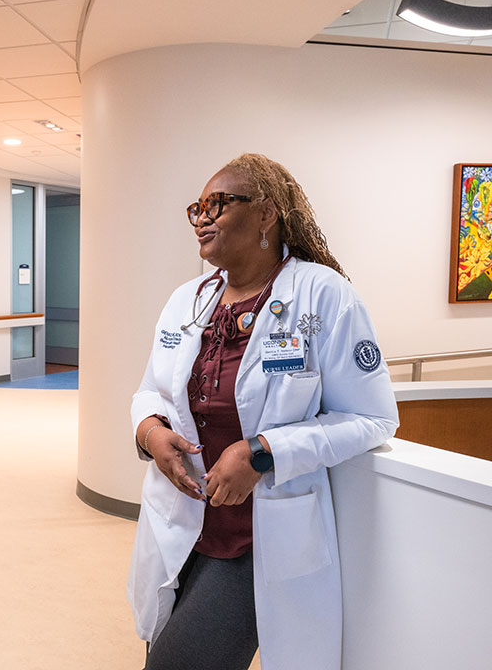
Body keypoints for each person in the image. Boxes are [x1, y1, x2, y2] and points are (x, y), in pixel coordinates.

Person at [127, 154, 399, 670]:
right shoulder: (188, 300)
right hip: (181, 523)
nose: (202, 218)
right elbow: (151, 390)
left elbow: (374, 418)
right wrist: (148, 430)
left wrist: (263, 452)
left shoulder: (323, 295)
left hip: (257, 538)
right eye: (197, 208)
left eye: (218, 204)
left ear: (267, 214)